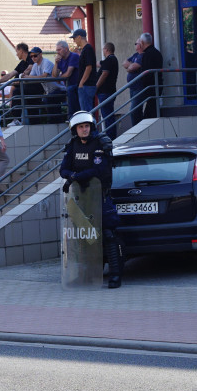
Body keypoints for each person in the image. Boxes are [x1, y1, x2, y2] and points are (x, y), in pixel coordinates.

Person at [59, 111, 124, 289]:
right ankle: (84, 275)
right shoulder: (73, 145)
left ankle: (115, 275)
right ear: (75, 129)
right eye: (81, 127)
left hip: (100, 196)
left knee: (109, 235)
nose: (84, 129)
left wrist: (74, 176)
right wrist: (72, 176)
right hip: (81, 199)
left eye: (87, 126)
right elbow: (63, 169)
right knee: (83, 238)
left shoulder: (100, 143)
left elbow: (98, 170)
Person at [0, 43, 35, 125]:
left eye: (16, 51)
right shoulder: (22, 63)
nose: (16, 54)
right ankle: (16, 119)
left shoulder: (31, 57)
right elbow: (10, 75)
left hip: (35, 87)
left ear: (21, 51)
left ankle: (16, 119)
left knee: (17, 92)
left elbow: (29, 70)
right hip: (26, 89)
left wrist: (21, 78)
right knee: (17, 92)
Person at [29, 46, 65, 123]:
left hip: (60, 89)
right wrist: (24, 76)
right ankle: (55, 121)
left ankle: (55, 121)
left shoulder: (46, 62)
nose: (33, 58)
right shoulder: (35, 65)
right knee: (47, 100)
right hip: (50, 91)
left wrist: (27, 76)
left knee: (48, 99)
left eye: (35, 55)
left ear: (41, 54)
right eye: (31, 56)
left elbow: (44, 76)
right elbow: (30, 78)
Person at [95, 42, 119, 138]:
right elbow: (99, 64)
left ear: (107, 50)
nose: (103, 51)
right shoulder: (110, 61)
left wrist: (96, 87)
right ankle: (110, 135)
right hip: (107, 92)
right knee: (107, 115)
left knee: (107, 116)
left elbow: (104, 74)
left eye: (103, 49)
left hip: (105, 92)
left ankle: (111, 137)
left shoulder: (109, 60)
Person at [72, 29, 98, 112]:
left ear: (79, 37)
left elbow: (89, 67)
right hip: (86, 85)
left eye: (74, 38)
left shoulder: (88, 49)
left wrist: (81, 83)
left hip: (86, 85)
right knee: (86, 110)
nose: (74, 41)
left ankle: (90, 125)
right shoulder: (85, 49)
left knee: (86, 112)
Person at [53, 40, 82, 116]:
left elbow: (68, 74)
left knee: (71, 92)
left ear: (66, 49)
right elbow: (54, 76)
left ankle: (71, 117)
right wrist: (56, 63)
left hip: (78, 86)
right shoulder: (60, 60)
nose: (57, 52)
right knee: (52, 96)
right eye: (57, 50)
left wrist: (59, 78)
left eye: (59, 50)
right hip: (69, 86)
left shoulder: (74, 56)